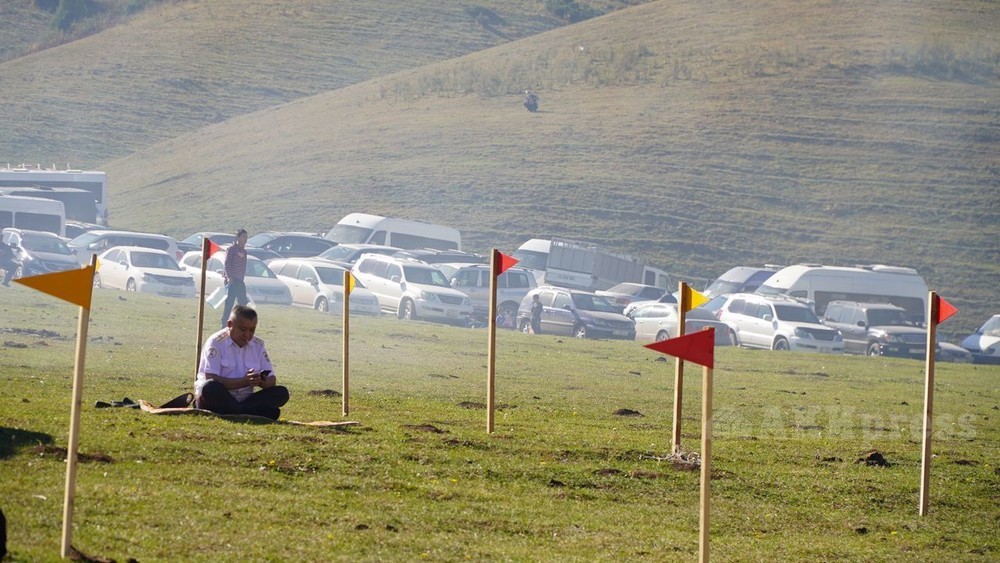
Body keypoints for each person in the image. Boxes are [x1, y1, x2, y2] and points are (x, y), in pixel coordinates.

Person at [196, 304, 289, 420]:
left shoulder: (258, 345)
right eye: (243, 330)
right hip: (221, 397)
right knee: (210, 387)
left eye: (252, 330)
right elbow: (211, 378)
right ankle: (250, 413)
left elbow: (271, 380)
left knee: (281, 392)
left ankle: (238, 411)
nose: (247, 335)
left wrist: (260, 380)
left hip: (245, 399)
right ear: (230, 325)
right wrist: (244, 381)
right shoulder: (216, 342)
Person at [220, 228, 249, 328]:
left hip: (240, 281)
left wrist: (241, 279)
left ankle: (238, 322)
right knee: (229, 304)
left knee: (243, 303)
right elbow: (227, 264)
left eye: (246, 237)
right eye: (243, 237)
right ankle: (224, 325)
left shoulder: (244, 252)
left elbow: (243, 267)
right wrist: (229, 277)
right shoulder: (232, 249)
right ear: (238, 238)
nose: (245, 239)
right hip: (232, 281)